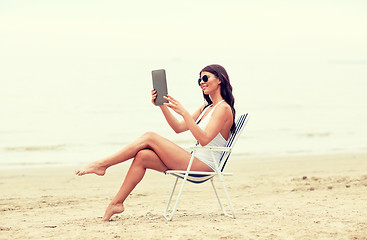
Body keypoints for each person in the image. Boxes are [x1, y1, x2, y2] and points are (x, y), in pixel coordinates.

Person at [75, 64, 236, 221]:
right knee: (143, 156)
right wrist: (162, 106)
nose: (201, 82)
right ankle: (116, 203)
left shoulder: (223, 109)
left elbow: (204, 139)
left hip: (204, 166)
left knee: (149, 136)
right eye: (199, 80)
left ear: (219, 80)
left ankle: (102, 164)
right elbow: (178, 128)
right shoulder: (206, 108)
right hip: (194, 161)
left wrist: (185, 113)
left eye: (205, 78)